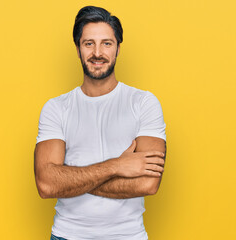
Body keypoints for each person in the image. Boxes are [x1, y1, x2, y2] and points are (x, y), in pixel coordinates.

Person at [34, 6, 167, 240]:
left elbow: (148, 183)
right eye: (89, 44)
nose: (98, 52)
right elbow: (46, 185)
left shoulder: (144, 103)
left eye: (106, 43)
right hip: (67, 235)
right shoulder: (56, 108)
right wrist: (117, 166)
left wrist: (69, 177)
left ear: (117, 48)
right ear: (78, 49)